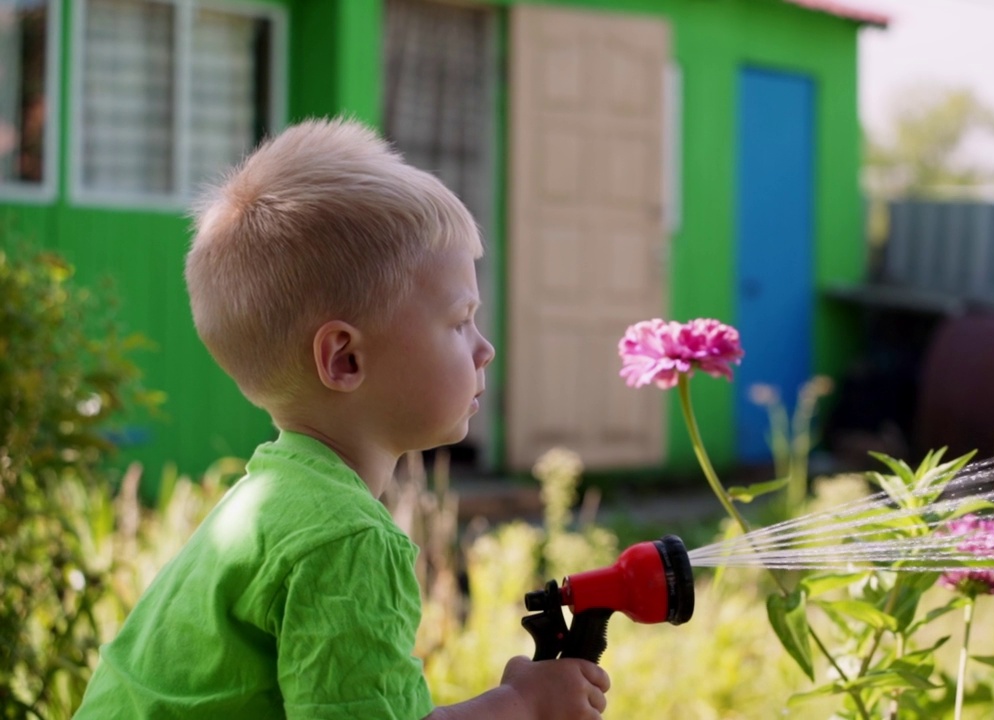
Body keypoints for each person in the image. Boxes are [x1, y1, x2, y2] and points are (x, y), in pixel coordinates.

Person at [74, 119, 611, 720]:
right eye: (459, 321)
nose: (484, 349)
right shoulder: (346, 540)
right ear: (345, 358)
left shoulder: (273, 497)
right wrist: (521, 705)